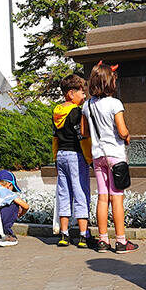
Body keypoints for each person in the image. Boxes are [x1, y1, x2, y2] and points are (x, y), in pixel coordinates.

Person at [83, 62, 139, 253]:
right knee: (117, 198)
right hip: (115, 156)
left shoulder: (87, 105)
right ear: (109, 82)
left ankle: (103, 240)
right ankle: (121, 241)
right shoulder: (115, 103)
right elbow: (122, 131)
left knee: (102, 198)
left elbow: (84, 132)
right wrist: (127, 136)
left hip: (97, 156)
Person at [52, 73, 91, 248]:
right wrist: (89, 157)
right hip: (76, 155)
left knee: (64, 193)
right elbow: (82, 136)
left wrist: (55, 157)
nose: (84, 96)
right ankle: (84, 235)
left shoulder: (56, 111)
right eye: (81, 93)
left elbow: (55, 138)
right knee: (80, 192)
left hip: (61, 155)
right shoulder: (77, 112)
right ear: (70, 94)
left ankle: (64, 234)